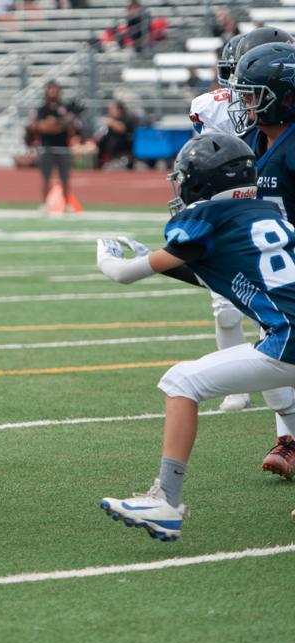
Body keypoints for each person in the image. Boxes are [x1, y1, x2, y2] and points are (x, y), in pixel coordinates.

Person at [94, 134, 293, 540]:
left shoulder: (207, 216)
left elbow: (124, 275)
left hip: (289, 339)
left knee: (180, 381)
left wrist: (108, 257)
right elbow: (220, 275)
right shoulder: (266, 214)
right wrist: (157, 259)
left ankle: (165, 501)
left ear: (202, 181)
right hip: (286, 334)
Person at [227, 41, 295, 478]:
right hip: (271, 272)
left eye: (253, 95)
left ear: (284, 97)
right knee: (274, 360)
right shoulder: (249, 141)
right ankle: (288, 440)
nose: (246, 104)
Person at [30, 80, 74, 210]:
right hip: (47, 147)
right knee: (45, 177)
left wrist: (54, 123)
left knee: (65, 178)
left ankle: (67, 203)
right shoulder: (42, 109)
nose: (53, 91)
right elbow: (40, 127)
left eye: (55, 89)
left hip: (63, 147)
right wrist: (58, 125)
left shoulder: (64, 107)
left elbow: (69, 124)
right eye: (50, 89)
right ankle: (44, 203)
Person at [95, 100, 135, 169]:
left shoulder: (126, 118)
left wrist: (111, 122)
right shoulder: (111, 119)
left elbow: (122, 128)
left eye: (112, 109)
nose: (110, 111)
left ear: (119, 110)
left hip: (124, 151)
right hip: (110, 153)